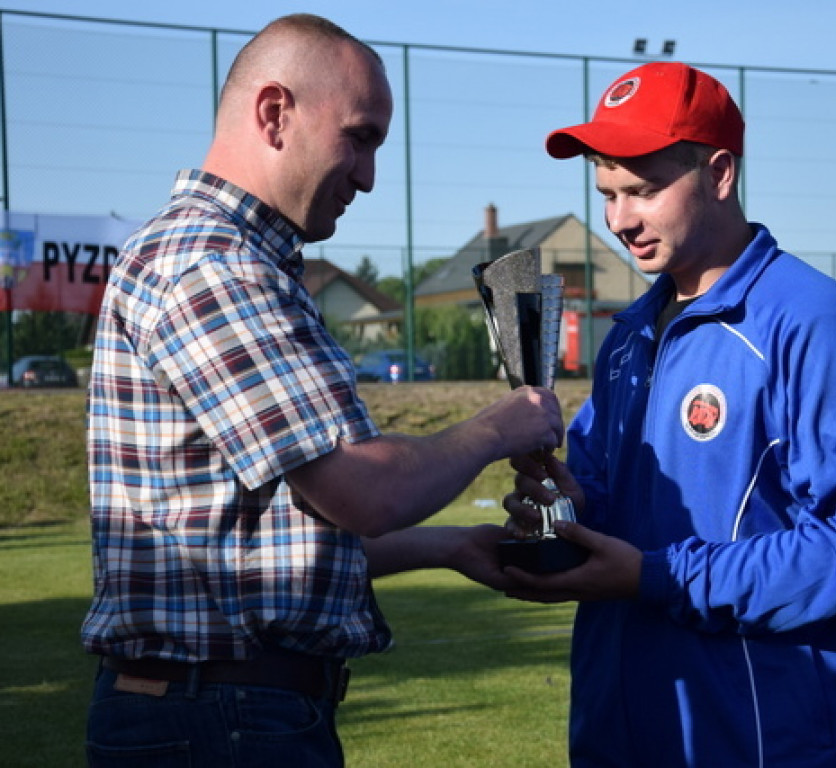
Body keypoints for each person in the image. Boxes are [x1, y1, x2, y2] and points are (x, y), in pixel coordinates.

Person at [81, 14, 564, 767]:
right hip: (222, 716)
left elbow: (271, 542)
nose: (369, 174)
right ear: (275, 113)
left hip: (223, 709)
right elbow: (361, 493)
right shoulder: (214, 267)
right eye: (361, 137)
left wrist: (454, 547)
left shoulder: (244, 265)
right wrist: (498, 429)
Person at [502, 61, 836, 766]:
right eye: (606, 193)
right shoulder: (629, 337)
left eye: (643, 190)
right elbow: (621, 517)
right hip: (622, 733)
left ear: (721, 174)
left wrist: (656, 576)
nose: (619, 220)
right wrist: (572, 512)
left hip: (765, 740)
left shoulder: (815, 324)